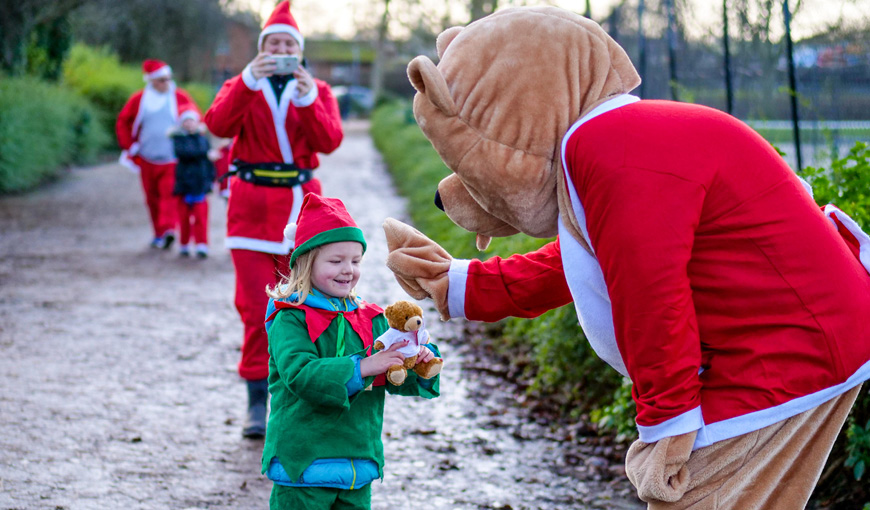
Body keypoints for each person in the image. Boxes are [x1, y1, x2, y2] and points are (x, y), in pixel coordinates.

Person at [204, 0, 343, 437]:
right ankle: (255, 403)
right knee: (252, 307)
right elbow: (218, 125)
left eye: (288, 44)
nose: (280, 49)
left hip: (300, 208)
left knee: (303, 305)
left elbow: (329, 140)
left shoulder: (316, 90)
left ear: (298, 51)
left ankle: (301, 393)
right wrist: (247, 81)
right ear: (261, 50)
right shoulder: (241, 84)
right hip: (250, 210)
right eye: (273, 44)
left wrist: (305, 98)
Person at [262, 194, 441, 510]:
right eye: (336, 261)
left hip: (357, 464)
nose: (348, 270)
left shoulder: (370, 317)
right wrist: (364, 366)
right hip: (304, 464)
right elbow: (300, 375)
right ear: (305, 261)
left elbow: (389, 371)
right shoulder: (290, 317)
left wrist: (417, 361)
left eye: (355, 261)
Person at [116, 59, 199, 249]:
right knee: (151, 198)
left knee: (169, 195)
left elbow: (195, 118)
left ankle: (169, 229)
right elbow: (123, 122)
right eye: (161, 80)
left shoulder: (179, 96)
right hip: (147, 158)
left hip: (172, 159)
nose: (166, 83)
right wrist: (130, 146)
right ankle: (158, 234)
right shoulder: (139, 99)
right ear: (151, 80)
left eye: (168, 79)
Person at [169, 109, 216, 259]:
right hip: (184, 186)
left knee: (201, 217)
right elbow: (186, 153)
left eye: (191, 121)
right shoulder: (179, 140)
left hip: (200, 185)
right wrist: (205, 154)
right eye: (186, 121)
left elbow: (209, 163)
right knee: (183, 218)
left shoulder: (203, 139)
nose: (189, 124)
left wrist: (211, 179)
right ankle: (184, 244)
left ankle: (202, 244)